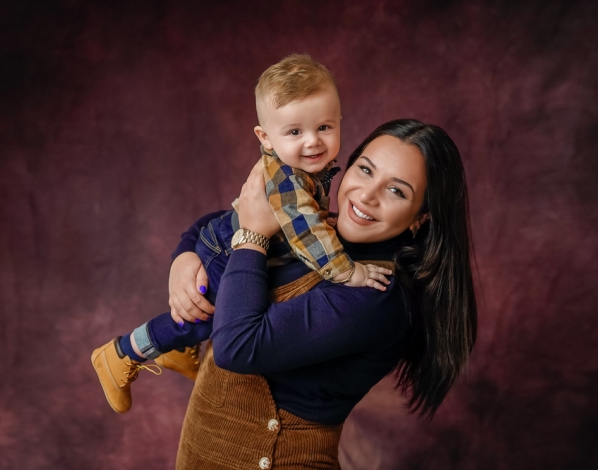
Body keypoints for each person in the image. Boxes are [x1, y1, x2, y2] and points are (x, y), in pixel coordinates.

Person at [91, 54, 391, 414]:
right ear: (265, 138)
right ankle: (123, 352)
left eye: (325, 127)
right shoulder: (288, 179)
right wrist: (348, 272)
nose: (313, 142)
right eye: (295, 132)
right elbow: (308, 232)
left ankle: (180, 352)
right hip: (225, 250)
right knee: (197, 314)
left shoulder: (304, 166)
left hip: (228, 240)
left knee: (208, 312)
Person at [171, 119, 478, 469]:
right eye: (365, 169)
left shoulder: (378, 295)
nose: (366, 195)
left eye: (397, 191)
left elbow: (237, 347)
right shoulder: (322, 235)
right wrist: (184, 256)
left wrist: (253, 235)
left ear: (420, 218)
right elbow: (221, 224)